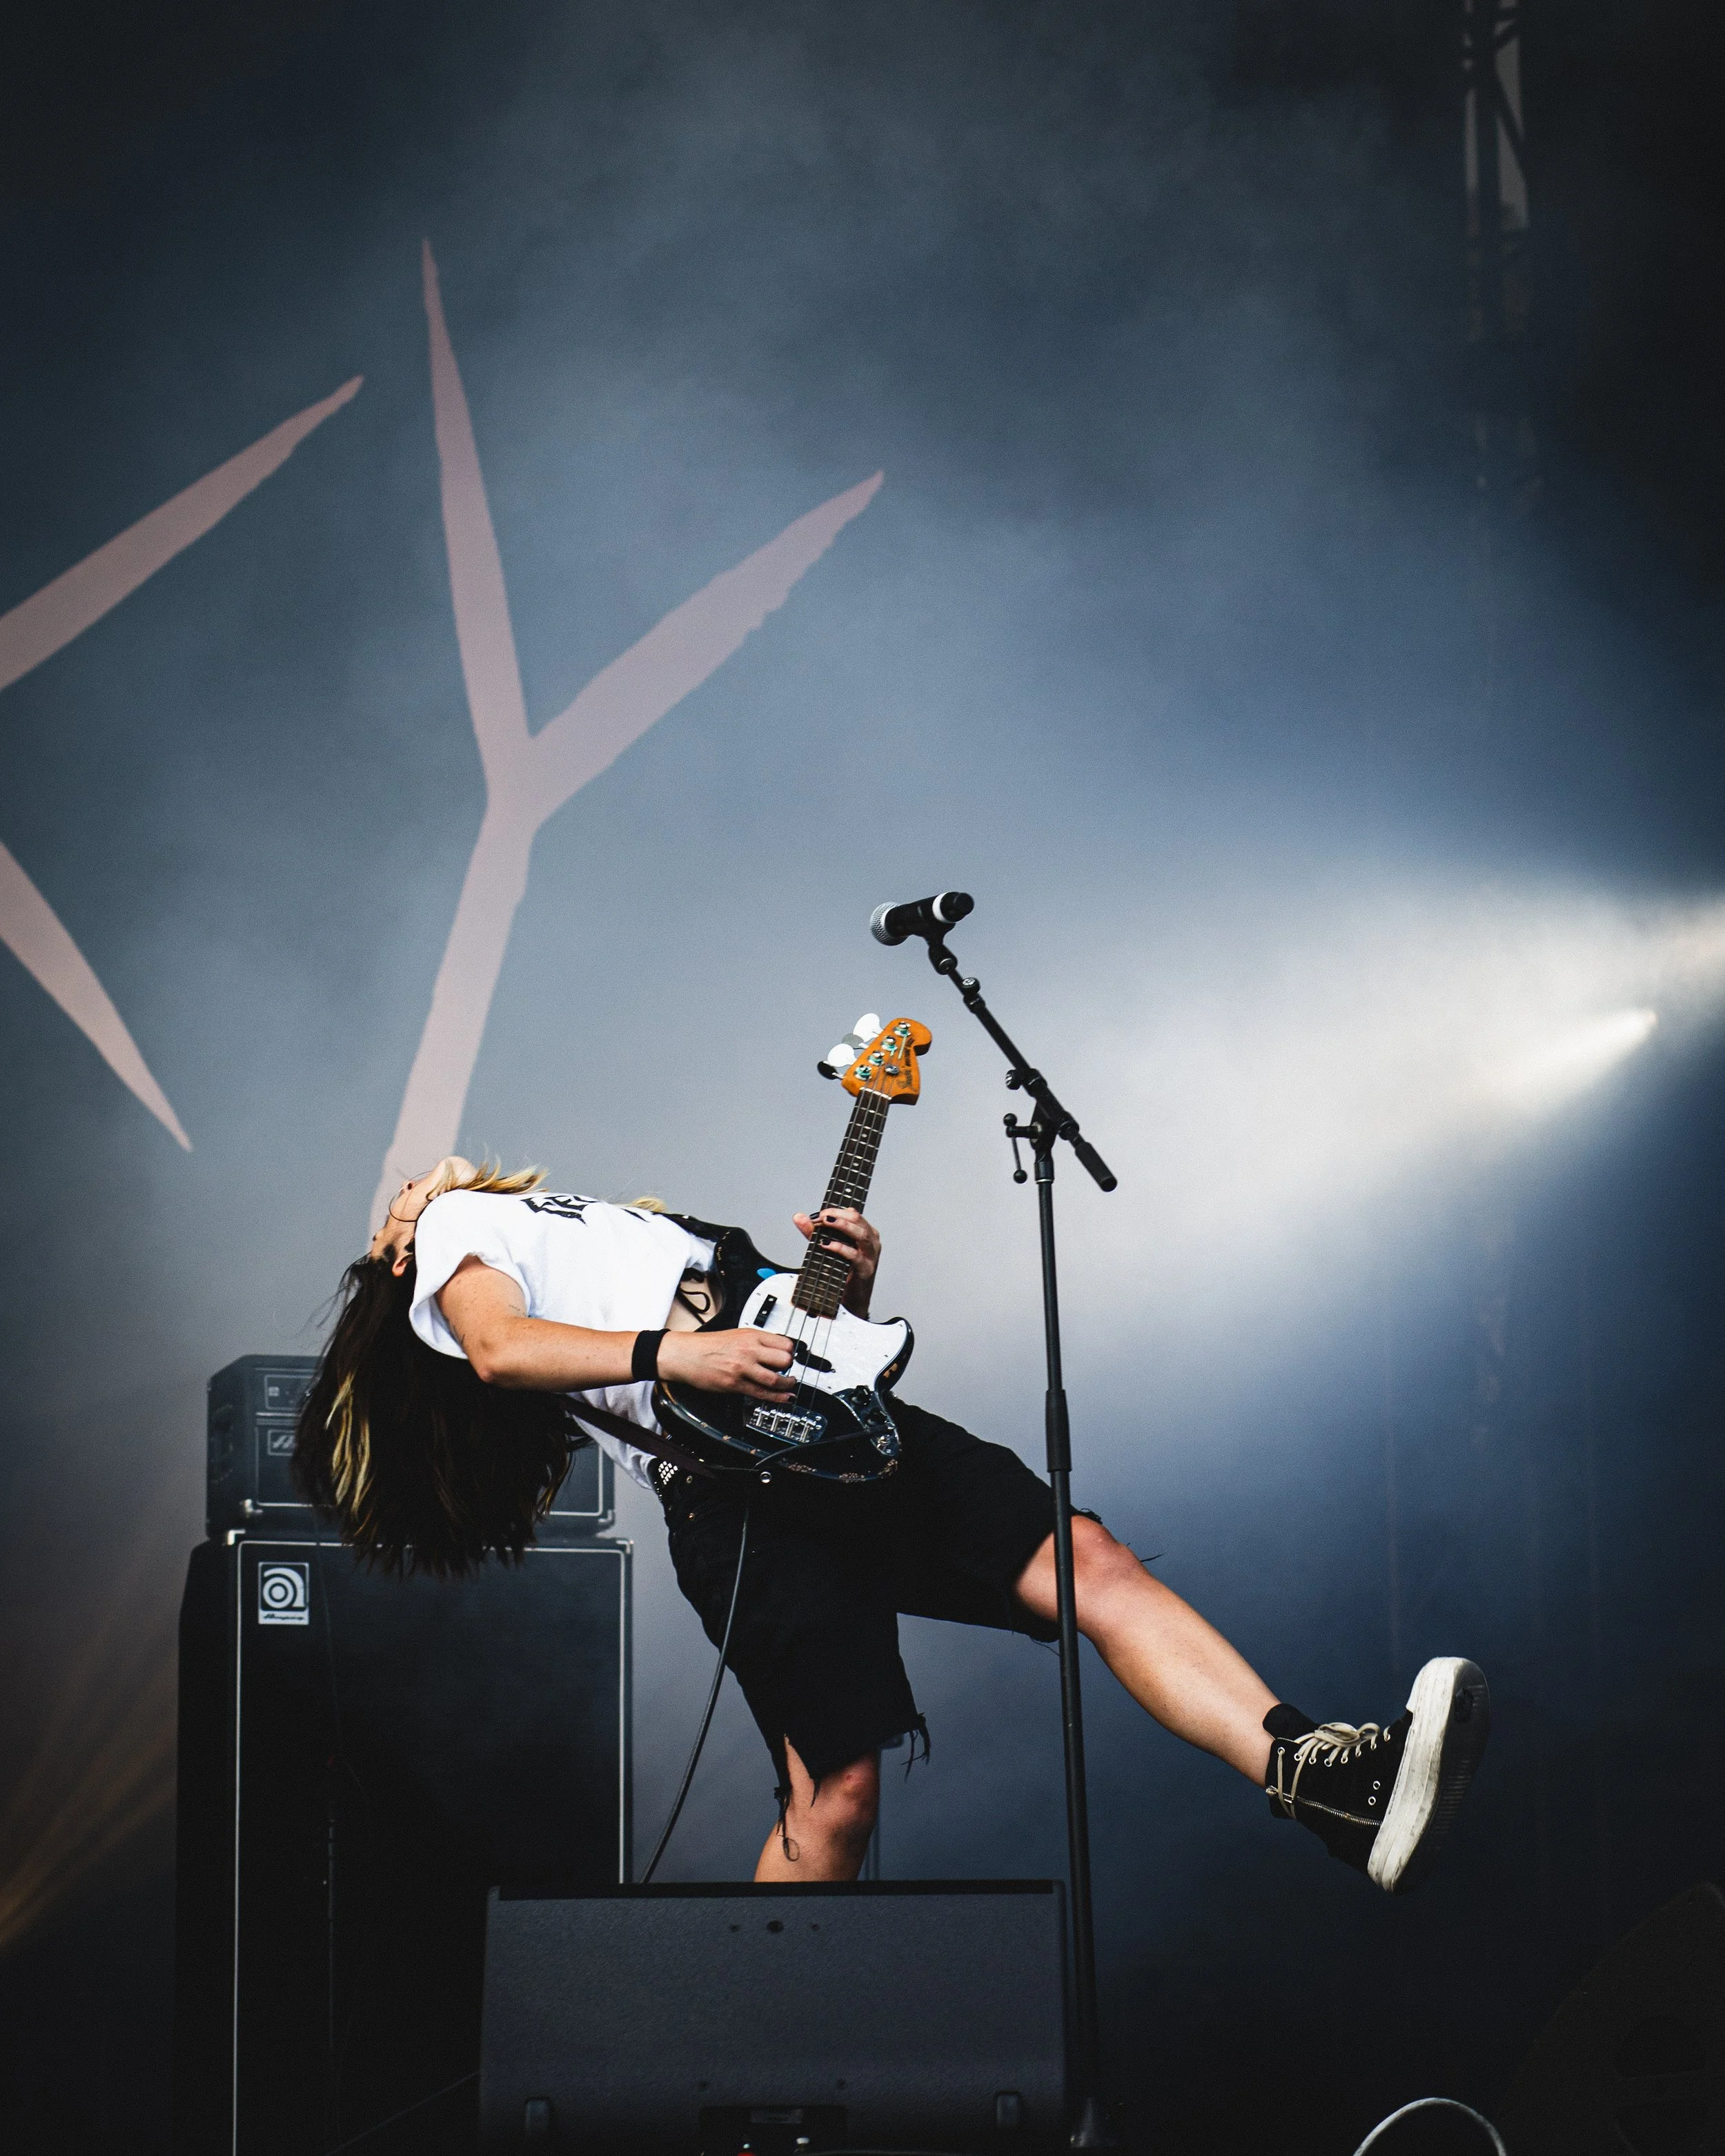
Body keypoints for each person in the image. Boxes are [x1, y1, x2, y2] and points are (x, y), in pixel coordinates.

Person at [295, 1156, 1490, 1895]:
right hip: (739, 1493)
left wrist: (843, 1292)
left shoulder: (569, 1215)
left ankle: (1327, 1784)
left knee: (1089, 1563)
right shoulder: (455, 1236)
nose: (409, 1177)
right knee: (838, 1802)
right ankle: (754, 2098)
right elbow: (502, 1351)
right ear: (397, 1248)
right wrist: (680, 1352)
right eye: (395, 1199)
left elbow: (759, 1326)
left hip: (832, 1425)